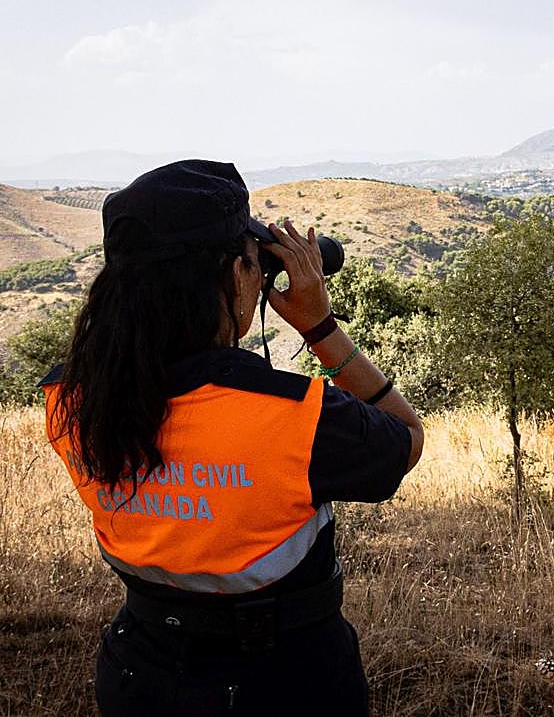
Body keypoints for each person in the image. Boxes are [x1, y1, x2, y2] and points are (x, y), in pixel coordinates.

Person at [41, 159, 424, 715]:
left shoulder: (69, 400)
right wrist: (320, 328)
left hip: (138, 672)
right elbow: (406, 436)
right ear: (233, 277)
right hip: (285, 681)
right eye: (253, 264)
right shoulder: (294, 415)